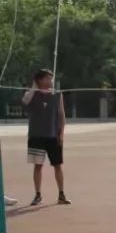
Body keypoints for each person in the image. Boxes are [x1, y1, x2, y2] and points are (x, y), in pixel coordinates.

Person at [22, 69, 69, 206]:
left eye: (51, 78)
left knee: (57, 165)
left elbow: (61, 114)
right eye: (48, 78)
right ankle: (38, 194)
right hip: (36, 136)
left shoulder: (57, 95)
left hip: (53, 136)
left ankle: (61, 194)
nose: (51, 81)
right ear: (40, 80)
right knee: (38, 166)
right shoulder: (31, 94)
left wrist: (61, 133)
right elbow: (25, 102)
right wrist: (34, 87)